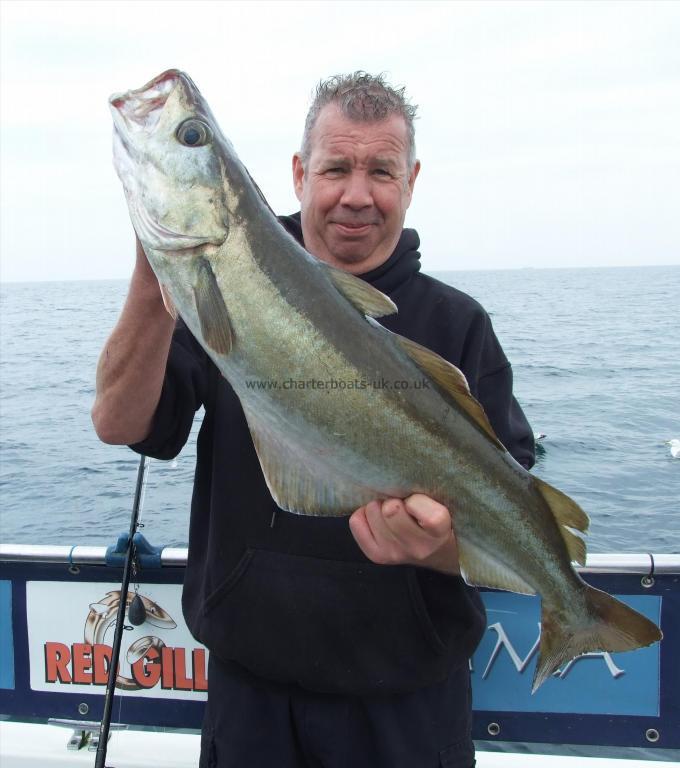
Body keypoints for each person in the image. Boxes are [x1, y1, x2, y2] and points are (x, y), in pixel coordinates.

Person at [93, 72, 534, 768]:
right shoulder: (224, 293)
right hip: (251, 703)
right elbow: (120, 423)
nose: (356, 194)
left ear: (410, 181)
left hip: (407, 711)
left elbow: (512, 520)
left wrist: (437, 548)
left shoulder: (459, 327)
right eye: (335, 167)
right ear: (299, 174)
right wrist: (158, 277)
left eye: (380, 171)